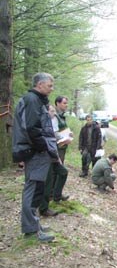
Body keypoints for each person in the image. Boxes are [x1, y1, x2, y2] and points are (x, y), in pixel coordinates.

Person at [12, 72, 58, 242]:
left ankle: (34, 224)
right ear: (39, 85)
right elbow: (32, 128)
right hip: (34, 152)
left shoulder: (36, 100)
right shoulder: (32, 100)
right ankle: (31, 230)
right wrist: (44, 147)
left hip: (36, 151)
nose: (51, 89)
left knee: (37, 189)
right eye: (49, 85)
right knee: (33, 189)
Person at [39, 105, 69, 217]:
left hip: (53, 155)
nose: (54, 113)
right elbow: (46, 141)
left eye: (54, 111)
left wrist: (65, 138)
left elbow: (54, 138)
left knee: (63, 172)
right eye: (52, 111)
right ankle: (43, 208)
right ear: (46, 112)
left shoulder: (53, 122)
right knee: (47, 183)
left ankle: (57, 196)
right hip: (47, 156)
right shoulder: (42, 123)